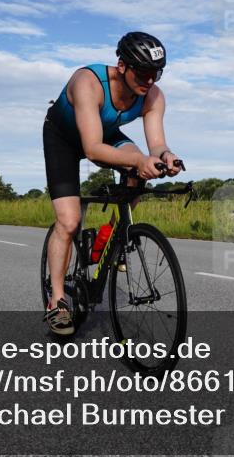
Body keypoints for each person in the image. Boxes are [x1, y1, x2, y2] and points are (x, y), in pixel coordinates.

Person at [42, 31, 183, 334]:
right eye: (143, 73)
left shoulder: (153, 95)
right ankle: (57, 301)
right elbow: (92, 149)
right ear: (122, 65)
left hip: (105, 133)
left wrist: (166, 156)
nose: (150, 81)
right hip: (64, 139)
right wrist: (138, 160)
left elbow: (156, 144)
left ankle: (111, 237)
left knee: (141, 168)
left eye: (156, 74)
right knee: (68, 222)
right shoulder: (88, 82)